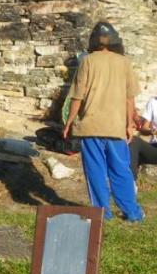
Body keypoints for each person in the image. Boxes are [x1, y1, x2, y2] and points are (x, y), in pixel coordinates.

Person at [62, 21, 144, 222]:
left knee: (96, 171)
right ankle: (132, 213)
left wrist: (69, 122)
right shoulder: (124, 63)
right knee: (121, 171)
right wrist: (129, 124)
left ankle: (101, 214)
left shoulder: (88, 61)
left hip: (91, 127)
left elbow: (77, 97)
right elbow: (129, 98)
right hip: (115, 127)